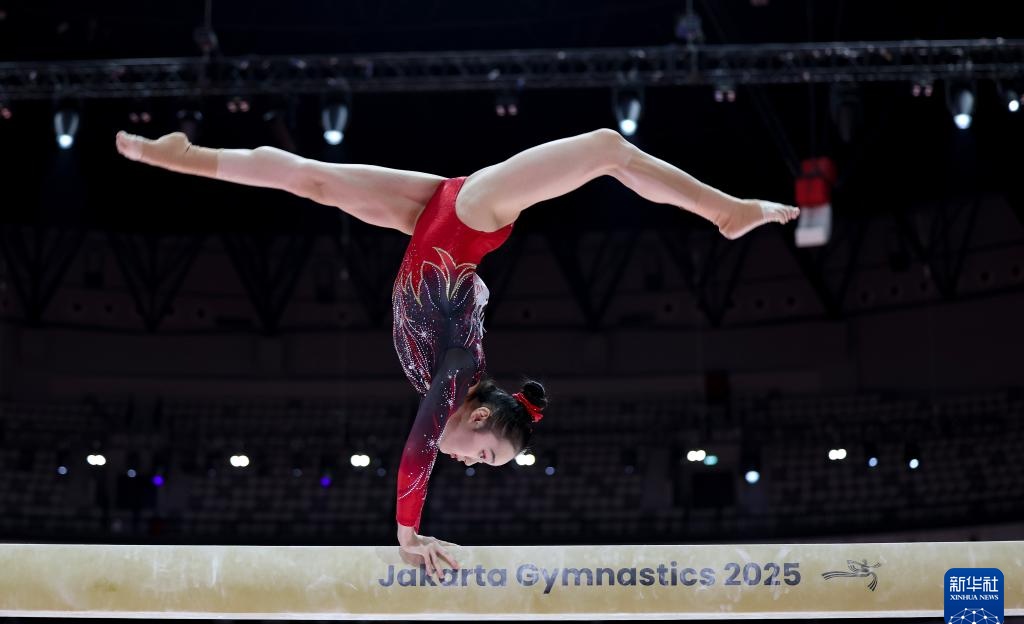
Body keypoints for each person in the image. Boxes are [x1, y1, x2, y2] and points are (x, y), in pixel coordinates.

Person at [115, 127, 798, 577]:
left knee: (310, 179)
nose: (470, 464)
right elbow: (420, 443)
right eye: (485, 455)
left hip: (431, 216)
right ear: (478, 417)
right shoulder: (458, 372)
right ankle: (727, 212)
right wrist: (407, 533)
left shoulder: (444, 377)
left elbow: (437, 404)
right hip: (471, 216)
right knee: (607, 147)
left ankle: (181, 155)